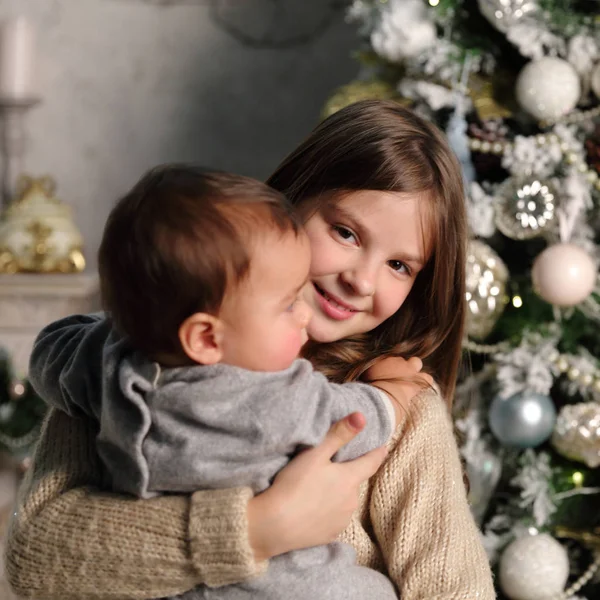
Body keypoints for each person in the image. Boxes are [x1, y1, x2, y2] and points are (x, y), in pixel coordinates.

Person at [5, 100, 495, 600]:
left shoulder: (406, 406)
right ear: (290, 201)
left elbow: (455, 591)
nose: (361, 280)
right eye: (345, 232)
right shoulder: (145, 351)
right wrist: (258, 529)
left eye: (399, 266)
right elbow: (37, 555)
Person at [47, 165, 420, 599]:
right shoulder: (270, 399)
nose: (301, 312)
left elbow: (51, 353)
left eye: (399, 264)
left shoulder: (107, 363)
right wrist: (394, 395)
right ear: (206, 337)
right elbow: (348, 418)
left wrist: (111, 331)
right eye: (286, 304)